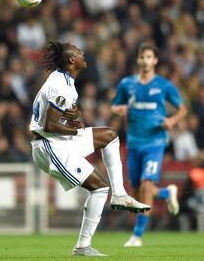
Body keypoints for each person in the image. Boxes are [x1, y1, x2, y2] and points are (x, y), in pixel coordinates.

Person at [29, 41, 150, 257]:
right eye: (78, 52)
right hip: (50, 146)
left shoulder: (65, 81)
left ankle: (120, 195)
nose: (83, 53)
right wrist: (74, 128)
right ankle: (83, 246)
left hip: (59, 140)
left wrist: (75, 121)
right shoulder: (60, 84)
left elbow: (62, 121)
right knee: (99, 188)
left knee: (110, 136)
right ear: (72, 61)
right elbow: (49, 125)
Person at [111, 43, 187, 247]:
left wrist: (171, 121)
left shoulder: (164, 85)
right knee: (137, 191)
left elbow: (182, 109)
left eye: (149, 57)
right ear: (138, 60)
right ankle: (165, 193)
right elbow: (114, 104)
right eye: (142, 57)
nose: (145, 60)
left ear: (155, 61)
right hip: (133, 143)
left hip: (155, 143)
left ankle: (137, 236)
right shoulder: (127, 84)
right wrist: (118, 110)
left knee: (146, 186)